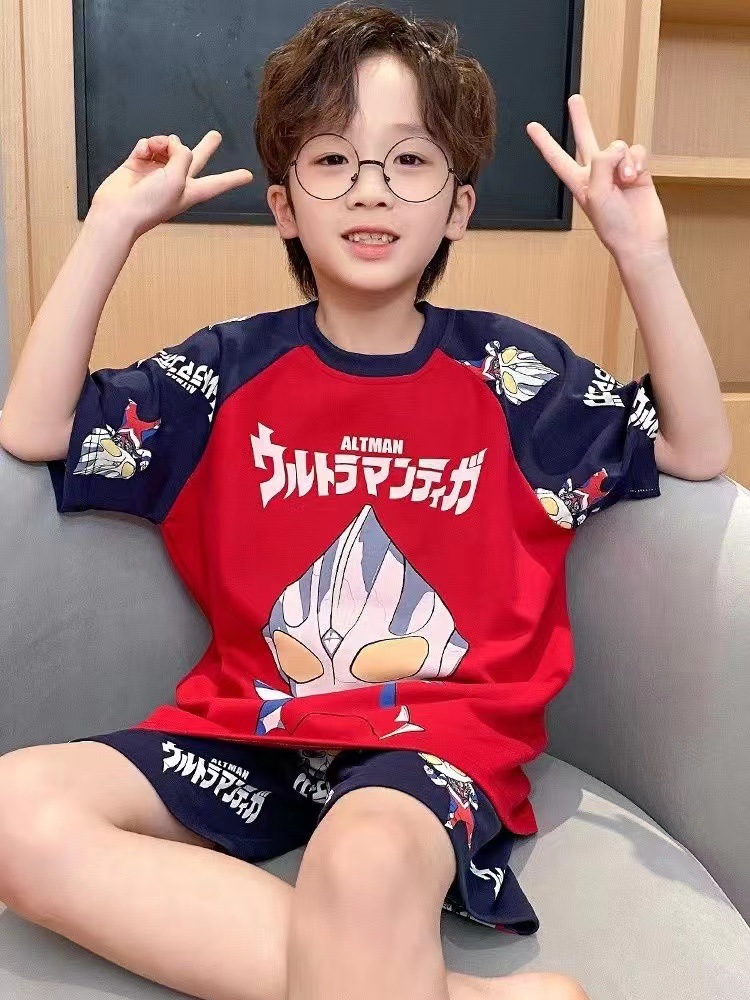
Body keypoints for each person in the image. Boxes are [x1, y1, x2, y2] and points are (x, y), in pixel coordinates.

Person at [3, 3, 729, 999]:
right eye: (334, 160)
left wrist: (640, 251)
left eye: (409, 160)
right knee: (18, 810)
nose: (371, 188)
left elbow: (696, 445)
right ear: (284, 206)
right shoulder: (226, 374)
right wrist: (110, 228)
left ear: (458, 209)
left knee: (361, 861)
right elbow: (36, 428)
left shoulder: (515, 378)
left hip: (436, 745)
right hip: (251, 732)